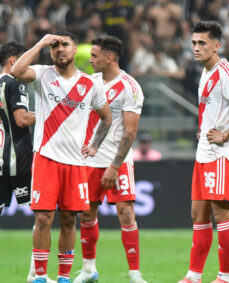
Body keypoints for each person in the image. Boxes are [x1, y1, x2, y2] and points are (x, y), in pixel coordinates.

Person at [11, 30, 112, 283]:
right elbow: (16, 71)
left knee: (69, 219)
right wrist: (42, 42)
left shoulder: (90, 84)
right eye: (54, 46)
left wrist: (95, 145)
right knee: (43, 218)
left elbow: (106, 117)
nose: (59, 49)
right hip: (45, 158)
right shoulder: (43, 75)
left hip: (76, 164)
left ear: (75, 49)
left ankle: (64, 277)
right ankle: (41, 276)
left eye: (64, 45)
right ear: (50, 51)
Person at [178, 21, 229, 283]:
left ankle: (225, 277)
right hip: (205, 152)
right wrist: (206, 128)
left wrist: (226, 133)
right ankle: (194, 276)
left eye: (202, 43)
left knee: (222, 214)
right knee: (197, 213)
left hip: (222, 154)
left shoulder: (226, 71)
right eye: (194, 43)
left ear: (217, 45)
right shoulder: (206, 70)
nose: (196, 48)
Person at [74, 35, 147, 283]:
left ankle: (134, 273)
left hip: (118, 161)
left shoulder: (130, 87)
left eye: (94, 56)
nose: (90, 59)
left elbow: (130, 131)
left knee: (126, 213)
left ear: (110, 57)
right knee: (86, 214)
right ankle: (88, 270)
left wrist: (114, 166)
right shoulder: (88, 82)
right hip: (88, 161)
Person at [0, 42, 34, 214]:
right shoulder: (16, 84)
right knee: (42, 213)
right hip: (18, 160)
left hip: (0, 159)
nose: (28, 66)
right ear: (14, 61)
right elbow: (22, 120)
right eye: (25, 60)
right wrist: (51, 114)